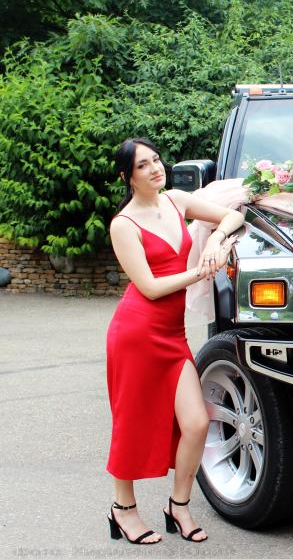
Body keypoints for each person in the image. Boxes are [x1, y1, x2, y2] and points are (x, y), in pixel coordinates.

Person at [105, 138, 244, 544]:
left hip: (171, 334)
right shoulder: (123, 225)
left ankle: (178, 506)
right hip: (136, 334)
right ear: (127, 177)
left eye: (156, 160)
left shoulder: (177, 201)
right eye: (142, 165)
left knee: (197, 423)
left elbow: (232, 216)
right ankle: (123, 510)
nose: (155, 169)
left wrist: (214, 241)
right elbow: (149, 287)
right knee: (130, 423)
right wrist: (202, 270)